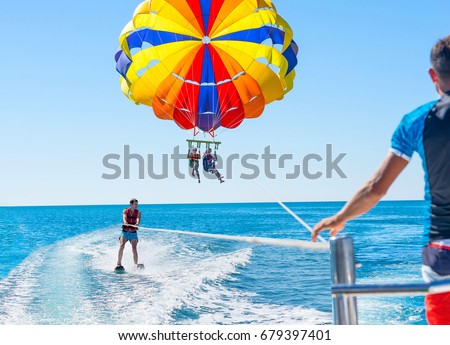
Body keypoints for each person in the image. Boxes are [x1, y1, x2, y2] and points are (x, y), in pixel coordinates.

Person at [312, 36, 450, 325]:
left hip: (442, 253)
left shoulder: (416, 121)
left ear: (432, 75)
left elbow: (376, 188)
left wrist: (340, 217)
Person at [116, 198, 142, 269]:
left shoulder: (138, 212)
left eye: (137, 204)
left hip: (133, 233)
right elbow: (124, 217)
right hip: (125, 232)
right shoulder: (125, 211)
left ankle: (135, 265)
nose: (137, 205)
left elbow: (138, 219)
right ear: (131, 204)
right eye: (135, 204)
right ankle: (119, 263)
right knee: (121, 245)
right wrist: (125, 222)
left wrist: (137, 223)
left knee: (134, 248)